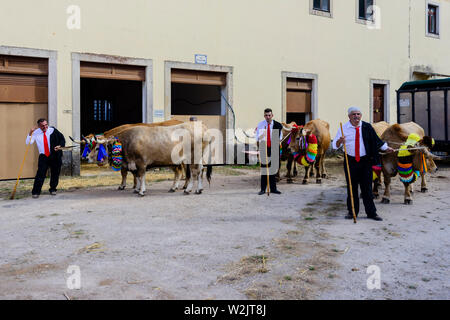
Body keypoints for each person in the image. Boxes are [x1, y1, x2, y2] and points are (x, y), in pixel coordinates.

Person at [332, 107, 394, 221]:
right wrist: (340, 141)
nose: (356, 116)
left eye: (358, 114)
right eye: (354, 114)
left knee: (367, 188)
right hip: (350, 161)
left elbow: (376, 140)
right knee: (352, 187)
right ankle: (352, 212)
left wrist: (386, 148)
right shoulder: (343, 128)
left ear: (361, 115)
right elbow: (334, 146)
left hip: (365, 161)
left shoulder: (366, 126)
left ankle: (371, 213)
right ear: (349, 116)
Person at [26, 118, 66, 198]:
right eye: (42, 126)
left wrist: (59, 146)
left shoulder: (53, 130)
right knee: (40, 174)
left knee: (55, 173)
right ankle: (36, 192)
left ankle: (53, 189)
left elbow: (62, 139)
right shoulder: (36, 133)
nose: (45, 127)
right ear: (39, 126)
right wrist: (30, 133)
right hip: (43, 156)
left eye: (46, 125)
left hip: (54, 155)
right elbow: (28, 142)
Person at [256, 108, 283, 195]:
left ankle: (273, 189)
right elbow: (257, 138)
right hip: (264, 148)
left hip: (273, 148)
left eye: (269, 115)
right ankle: (263, 189)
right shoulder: (260, 125)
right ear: (264, 116)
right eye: (266, 115)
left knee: (273, 170)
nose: (267, 117)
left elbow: (280, 137)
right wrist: (262, 135)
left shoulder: (277, 125)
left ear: (272, 115)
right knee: (264, 169)